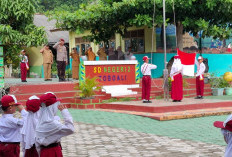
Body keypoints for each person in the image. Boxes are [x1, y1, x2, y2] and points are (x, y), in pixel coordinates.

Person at [35, 92, 75, 157]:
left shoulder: (40, 121)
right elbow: (71, 129)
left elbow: (37, 143)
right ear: (52, 107)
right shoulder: (53, 123)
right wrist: (64, 112)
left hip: (43, 152)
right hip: (54, 151)